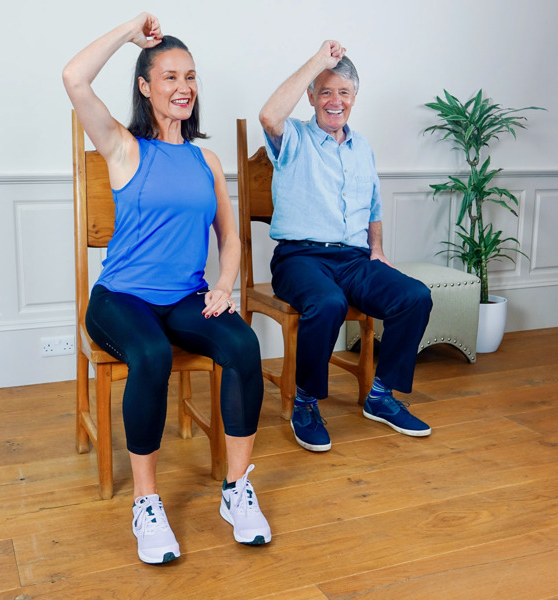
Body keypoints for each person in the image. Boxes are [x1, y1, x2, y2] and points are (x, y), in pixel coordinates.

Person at [63, 13, 271, 564]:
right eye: (170, 77)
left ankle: (237, 488)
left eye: (191, 77)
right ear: (145, 86)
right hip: (121, 299)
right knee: (151, 354)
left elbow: (229, 238)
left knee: (243, 345)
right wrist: (130, 31)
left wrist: (225, 286)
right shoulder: (123, 147)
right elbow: (73, 79)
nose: (183, 88)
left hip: (184, 297)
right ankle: (146, 502)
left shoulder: (206, 158)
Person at [258, 40, 433, 453]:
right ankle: (305, 402)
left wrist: (378, 250)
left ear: (355, 98)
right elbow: (268, 114)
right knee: (329, 303)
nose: (335, 101)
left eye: (344, 93)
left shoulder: (363, 147)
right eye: (325, 92)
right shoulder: (295, 137)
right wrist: (320, 60)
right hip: (299, 258)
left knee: (415, 296)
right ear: (311, 97)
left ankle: (381, 395)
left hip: (354, 259)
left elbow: (372, 204)